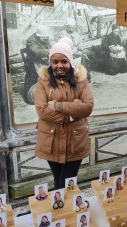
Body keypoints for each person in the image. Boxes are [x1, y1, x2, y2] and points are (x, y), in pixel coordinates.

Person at [34, 37, 93, 190]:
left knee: (67, 183)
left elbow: (87, 108)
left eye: (64, 61)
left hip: (75, 141)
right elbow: (41, 111)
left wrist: (58, 106)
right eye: (55, 62)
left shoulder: (81, 81)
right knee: (58, 181)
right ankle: (61, 210)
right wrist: (73, 112)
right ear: (50, 63)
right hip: (51, 141)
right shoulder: (43, 82)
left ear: (70, 62)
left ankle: (68, 211)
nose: (59, 65)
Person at [23, 25, 51, 105]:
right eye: (44, 39)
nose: (46, 40)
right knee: (33, 80)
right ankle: (31, 96)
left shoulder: (44, 37)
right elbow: (37, 51)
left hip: (42, 60)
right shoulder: (30, 40)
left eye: (46, 38)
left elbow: (48, 46)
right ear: (38, 36)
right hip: (32, 62)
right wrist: (50, 51)